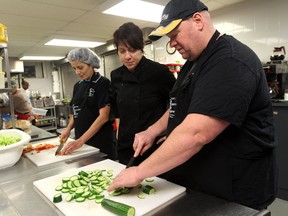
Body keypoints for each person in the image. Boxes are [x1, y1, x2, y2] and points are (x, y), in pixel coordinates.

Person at [108, 0, 277, 211]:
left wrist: (139, 172)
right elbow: (180, 103)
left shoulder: (230, 60)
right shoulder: (194, 61)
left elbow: (196, 133)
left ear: (197, 20)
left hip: (234, 190)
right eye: (169, 38)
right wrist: (152, 131)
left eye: (175, 34)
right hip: (202, 180)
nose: (172, 44)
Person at [109, 22, 175, 165]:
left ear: (142, 47)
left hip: (153, 145)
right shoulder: (116, 75)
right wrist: (119, 130)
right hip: (126, 144)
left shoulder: (159, 73)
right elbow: (116, 106)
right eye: (122, 51)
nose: (127, 56)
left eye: (132, 50)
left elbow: (179, 102)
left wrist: (171, 132)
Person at [59, 47, 114, 159]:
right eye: (74, 68)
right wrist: (68, 129)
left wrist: (81, 140)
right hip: (81, 141)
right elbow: (76, 111)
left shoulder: (103, 83)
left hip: (100, 141)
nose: (77, 72)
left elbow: (104, 117)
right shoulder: (78, 85)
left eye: (80, 67)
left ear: (90, 64)